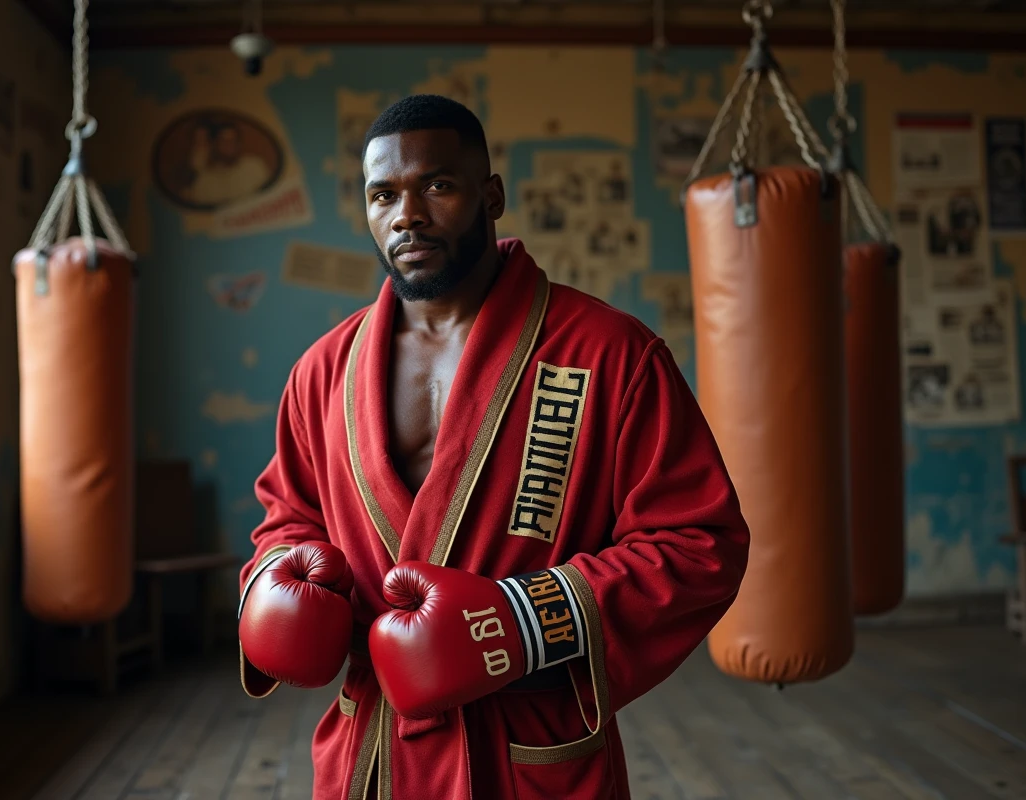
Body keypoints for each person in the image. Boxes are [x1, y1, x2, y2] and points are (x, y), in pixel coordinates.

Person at [236, 94, 750, 800]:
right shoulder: (322, 371)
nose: (407, 214)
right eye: (382, 195)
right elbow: (288, 518)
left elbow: (699, 542)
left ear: (492, 195)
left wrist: (518, 620)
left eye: (437, 186)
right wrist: (274, 581)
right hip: (374, 755)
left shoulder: (608, 354)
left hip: (526, 754)